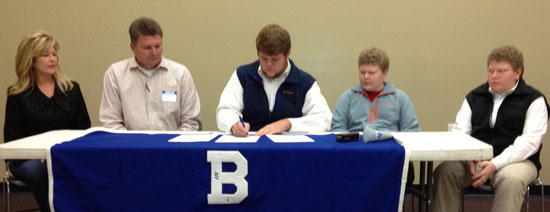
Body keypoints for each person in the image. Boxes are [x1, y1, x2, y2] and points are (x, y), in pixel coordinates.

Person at [433, 46, 549, 212]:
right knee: (445, 171)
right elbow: (460, 132)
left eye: (501, 71)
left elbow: (530, 142)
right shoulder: (474, 96)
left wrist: (495, 164)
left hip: (518, 161)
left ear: (517, 73)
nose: (494, 76)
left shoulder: (534, 100)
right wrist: (468, 158)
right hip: (476, 160)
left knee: (511, 179)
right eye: (491, 70)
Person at [3, 31, 91, 212]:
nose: (52, 59)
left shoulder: (71, 89)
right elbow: (12, 137)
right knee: (40, 171)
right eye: (45, 55)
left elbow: (84, 128)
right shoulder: (17, 94)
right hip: (27, 159)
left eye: (54, 54)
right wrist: (41, 156)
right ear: (31, 60)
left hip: (63, 154)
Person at [216, 24, 332, 137]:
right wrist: (233, 124)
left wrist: (288, 124)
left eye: (275, 59)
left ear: (288, 54)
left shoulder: (304, 82)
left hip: (290, 150)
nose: (269, 64)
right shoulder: (243, 76)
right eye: (264, 58)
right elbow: (225, 110)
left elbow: (324, 119)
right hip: (250, 146)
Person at [330, 47, 419, 186]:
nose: (365, 77)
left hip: (391, 157)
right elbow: (337, 129)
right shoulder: (348, 97)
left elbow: (412, 133)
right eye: (362, 72)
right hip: (355, 156)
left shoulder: (400, 98)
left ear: (384, 73)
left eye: (371, 72)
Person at [99, 17, 201, 131]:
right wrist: (133, 145)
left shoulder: (180, 74)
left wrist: (171, 146)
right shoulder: (115, 74)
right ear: (133, 47)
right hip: (130, 146)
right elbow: (110, 122)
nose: (154, 52)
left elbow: (191, 122)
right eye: (147, 48)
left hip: (173, 146)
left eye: (158, 46)